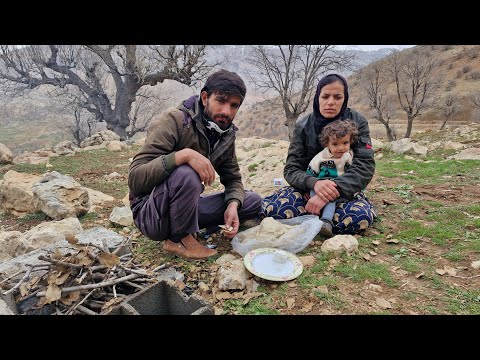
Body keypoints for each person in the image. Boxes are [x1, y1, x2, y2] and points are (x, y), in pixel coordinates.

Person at [128, 69, 262, 260]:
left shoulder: (225, 133)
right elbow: (135, 179)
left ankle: (185, 225)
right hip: (152, 214)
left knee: (252, 201)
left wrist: (232, 204)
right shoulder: (174, 120)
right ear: (205, 97)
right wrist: (183, 156)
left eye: (234, 105)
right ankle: (178, 239)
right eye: (221, 101)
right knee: (187, 173)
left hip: (182, 208)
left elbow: (233, 179)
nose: (226, 111)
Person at [261, 73, 376, 236]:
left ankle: (315, 220)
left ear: (345, 98)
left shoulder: (357, 122)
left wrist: (328, 193)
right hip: (308, 189)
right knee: (277, 209)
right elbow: (291, 168)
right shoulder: (303, 125)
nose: (330, 102)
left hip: (344, 191)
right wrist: (314, 184)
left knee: (359, 217)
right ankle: (321, 221)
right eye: (325, 96)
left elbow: (365, 166)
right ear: (317, 97)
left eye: (337, 97)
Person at [306, 120, 358, 238]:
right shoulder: (319, 158)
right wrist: (313, 185)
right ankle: (313, 217)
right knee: (319, 193)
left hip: (340, 189)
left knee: (331, 195)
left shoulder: (348, 157)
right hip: (320, 187)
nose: (341, 148)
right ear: (326, 144)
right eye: (335, 144)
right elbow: (310, 174)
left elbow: (354, 175)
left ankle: (326, 221)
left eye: (345, 143)